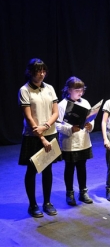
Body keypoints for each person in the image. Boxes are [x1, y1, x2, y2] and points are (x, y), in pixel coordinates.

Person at [18, 58, 60, 218]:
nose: (42, 74)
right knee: (32, 170)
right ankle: (32, 204)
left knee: (48, 169)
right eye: (38, 71)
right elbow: (29, 118)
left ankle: (47, 202)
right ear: (30, 72)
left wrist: (46, 126)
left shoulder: (49, 88)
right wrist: (41, 136)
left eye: (44, 71)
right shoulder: (25, 90)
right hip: (33, 136)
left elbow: (55, 112)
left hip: (50, 133)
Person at [56, 77, 94, 206]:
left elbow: (91, 118)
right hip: (70, 142)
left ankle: (83, 192)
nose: (80, 93)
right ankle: (69, 193)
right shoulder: (61, 105)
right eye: (77, 90)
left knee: (82, 167)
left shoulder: (85, 102)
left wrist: (90, 125)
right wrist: (70, 129)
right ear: (68, 90)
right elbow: (57, 125)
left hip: (83, 140)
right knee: (70, 167)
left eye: (82, 90)